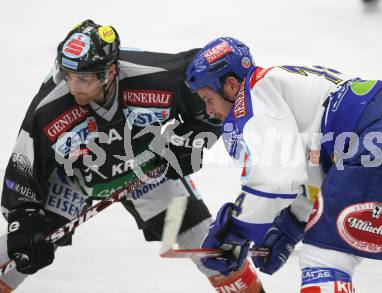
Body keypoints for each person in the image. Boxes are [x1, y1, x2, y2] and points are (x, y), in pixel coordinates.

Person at [0, 22, 265, 293]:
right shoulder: (49, 108)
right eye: (66, 74)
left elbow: (209, 94)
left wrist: (190, 141)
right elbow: (24, 165)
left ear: (110, 72)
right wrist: (24, 220)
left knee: (214, 252)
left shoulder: (154, 77)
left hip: (146, 169)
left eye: (83, 79)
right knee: (16, 254)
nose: (72, 86)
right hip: (75, 181)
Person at [185, 36, 382, 292]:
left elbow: (276, 179)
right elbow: (315, 170)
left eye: (208, 98)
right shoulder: (280, 83)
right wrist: (290, 225)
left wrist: (235, 231)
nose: (209, 111)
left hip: (381, 143)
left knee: (324, 259)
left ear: (230, 85)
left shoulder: (252, 97)